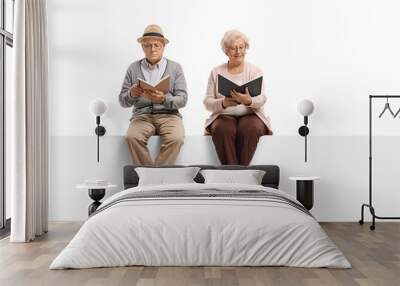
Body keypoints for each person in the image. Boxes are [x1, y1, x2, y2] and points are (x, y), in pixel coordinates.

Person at [119, 24, 188, 165]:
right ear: (142, 47)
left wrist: (164, 99)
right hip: (142, 116)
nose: (152, 49)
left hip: (169, 115)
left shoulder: (175, 67)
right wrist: (131, 93)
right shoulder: (133, 68)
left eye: (156, 45)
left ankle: (154, 177)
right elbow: (122, 100)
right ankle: (149, 177)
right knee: (132, 137)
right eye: (148, 45)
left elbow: (183, 99)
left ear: (163, 46)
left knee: (177, 139)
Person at [203, 29, 272, 165]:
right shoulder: (216, 72)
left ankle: (243, 173)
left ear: (246, 48)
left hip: (251, 114)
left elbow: (262, 98)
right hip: (224, 115)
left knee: (250, 129)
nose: (238, 51)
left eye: (241, 47)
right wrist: (224, 103)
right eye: (233, 48)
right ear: (226, 51)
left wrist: (249, 100)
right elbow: (207, 102)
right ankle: (232, 172)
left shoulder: (255, 70)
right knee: (222, 129)